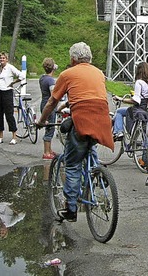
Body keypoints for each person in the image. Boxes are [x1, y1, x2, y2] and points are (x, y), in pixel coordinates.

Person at [35, 42, 113, 222]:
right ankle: (97, 173)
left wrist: (42, 120)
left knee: (72, 164)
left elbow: (51, 103)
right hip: (101, 120)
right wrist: (68, 104)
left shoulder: (67, 74)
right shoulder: (98, 73)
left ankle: (70, 209)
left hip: (82, 121)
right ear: (90, 58)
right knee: (89, 145)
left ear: (73, 59)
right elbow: (89, 95)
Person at [111, 61, 148, 139]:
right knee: (147, 130)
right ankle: (147, 149)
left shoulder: (139, 82)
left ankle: (119, 132)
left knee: (119, 111)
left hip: (139, 110)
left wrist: (121, 99)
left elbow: (136, 100)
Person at [0, 52, 24, 145]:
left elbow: (21, 75)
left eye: (3, 58)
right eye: (0, 58)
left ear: (7, 59)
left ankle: (14, 136)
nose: (2, 60)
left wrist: (13, 82)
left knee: (9, 114)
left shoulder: (10, 67)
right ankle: (0, 136)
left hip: (7, 92)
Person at [39, 58, 58, 160]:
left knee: (48, 126)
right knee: (50, 128)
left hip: (43, 103)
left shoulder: (42, 78)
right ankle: (46, 152)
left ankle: (49, 150)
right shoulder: (51, 81)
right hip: (49, 106)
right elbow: (53, 95)